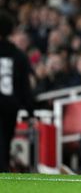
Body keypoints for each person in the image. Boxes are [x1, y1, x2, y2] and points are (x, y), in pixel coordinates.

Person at [0, 10, 35, 172]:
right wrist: (29, 111)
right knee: (4, 147)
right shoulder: (18, 55)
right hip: (8, 108)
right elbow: (24, 87)